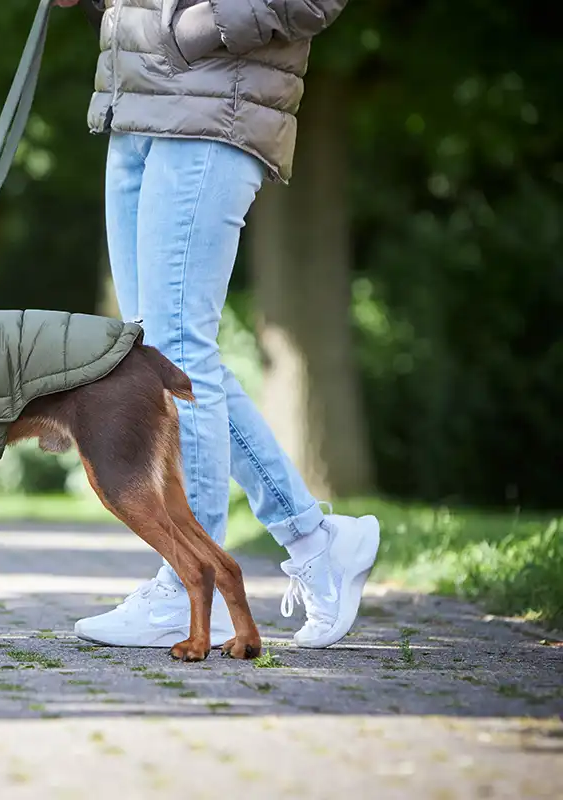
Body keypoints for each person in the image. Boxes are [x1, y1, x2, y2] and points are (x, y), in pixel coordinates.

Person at [54, 0, 380, 649]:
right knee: (158, 358)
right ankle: (318, 540)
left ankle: (187, 581)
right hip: (134, 100)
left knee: (176, 354)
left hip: (213, 103)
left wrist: (193, 29)